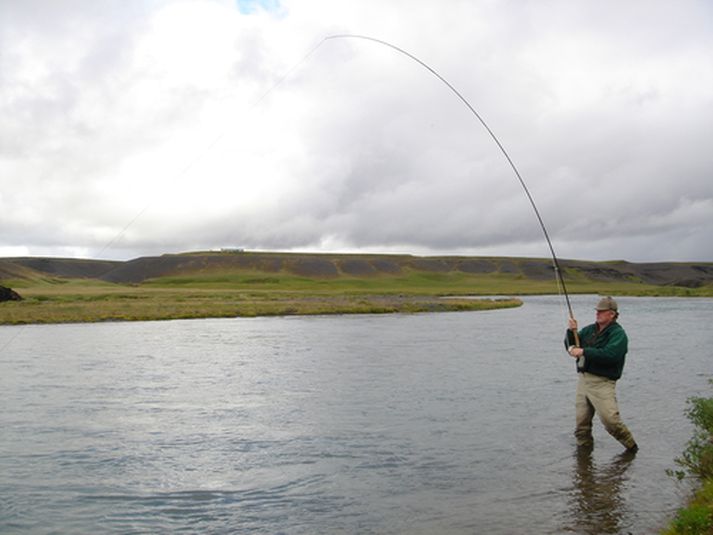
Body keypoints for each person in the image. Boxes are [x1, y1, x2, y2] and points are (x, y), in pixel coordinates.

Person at [565, 296, 638, 452]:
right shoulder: (590, 330)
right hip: (583, 381)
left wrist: (584, 351)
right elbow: (570, 344)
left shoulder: (618, 334)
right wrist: (571, 332)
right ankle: (584, 461)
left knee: (611, 421)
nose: (597, 314)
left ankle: (632, 448)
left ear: (612, 314)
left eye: (601, 312)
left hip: (603, 383)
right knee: (581, 425)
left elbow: (610, 355)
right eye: (597, 311)